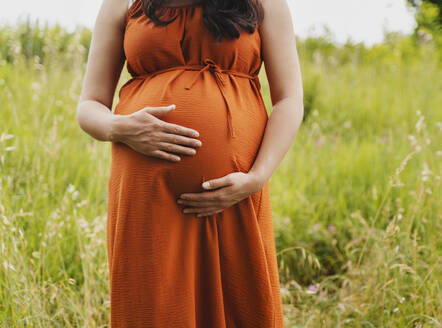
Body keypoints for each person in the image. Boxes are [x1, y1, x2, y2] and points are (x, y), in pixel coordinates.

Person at [76, 0, 303, 326]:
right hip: (148, 195)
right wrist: (120, 127)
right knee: (154, 306)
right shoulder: (121, 3)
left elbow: (290, 99)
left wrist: (257, 178)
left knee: (239, 303)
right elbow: (89, 105)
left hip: (234, 192)